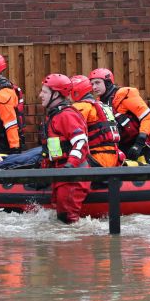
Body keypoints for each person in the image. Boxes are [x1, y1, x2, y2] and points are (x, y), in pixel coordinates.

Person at [38, 73, 91, 224]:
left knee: (67, 219)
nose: (40, 95)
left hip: (72, 176)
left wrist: (70, 166)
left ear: (56, 94)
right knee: (61, 220)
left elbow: (80, 142)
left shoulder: (66, 115)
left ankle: (71, 248)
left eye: (45, 92)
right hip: (61, 174)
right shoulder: (55, 116)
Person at [89, 67, 150, 163]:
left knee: (149, 174)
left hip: (143, 143)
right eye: (92, 84)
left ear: (108, 83)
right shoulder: (99, 103)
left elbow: (147, 117)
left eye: (97, 82)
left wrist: (139, 143)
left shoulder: (125, 94)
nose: (94, 87)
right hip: (124, 145)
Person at [70, 75, 123, 167]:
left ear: (75, 92)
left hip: (97, 158)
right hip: (114, 156)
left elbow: (69, 131)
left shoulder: (81, 107)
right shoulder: (102, 105)